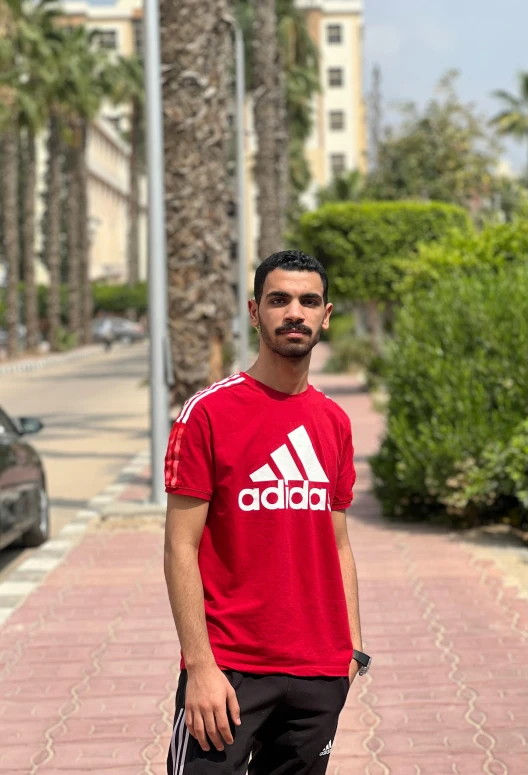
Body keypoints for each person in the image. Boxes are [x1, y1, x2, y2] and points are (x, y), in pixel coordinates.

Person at [164, 250, 371, 775]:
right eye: (279, 300)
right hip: (231, 672)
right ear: (255, 313)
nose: (294, 313)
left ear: (327, 315)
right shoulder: (208, 414)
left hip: (319, 673)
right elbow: (179, 548)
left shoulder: (334, 422)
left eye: (309, 301)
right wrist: (200, 668)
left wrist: (352, 650)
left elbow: (338, 542)